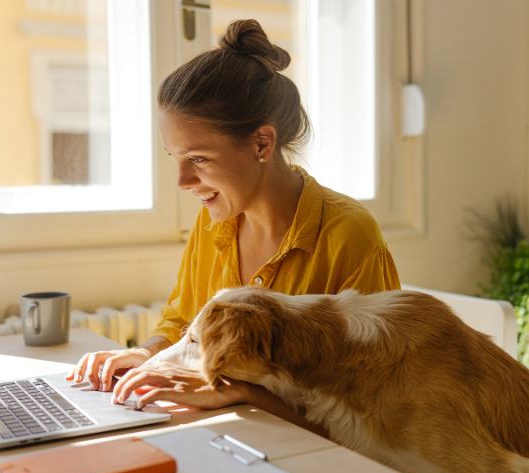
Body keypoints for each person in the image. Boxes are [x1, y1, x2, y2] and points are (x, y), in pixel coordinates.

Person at [66, 19, 400, 435]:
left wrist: (241, 392)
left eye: (200, 159)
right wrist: (149, 354)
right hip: (235, 434)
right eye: (175, 158)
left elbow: (375, 409)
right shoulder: (216, 222)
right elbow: (183, 320)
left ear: (262, 144)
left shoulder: (348, 236)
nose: (183, 182)